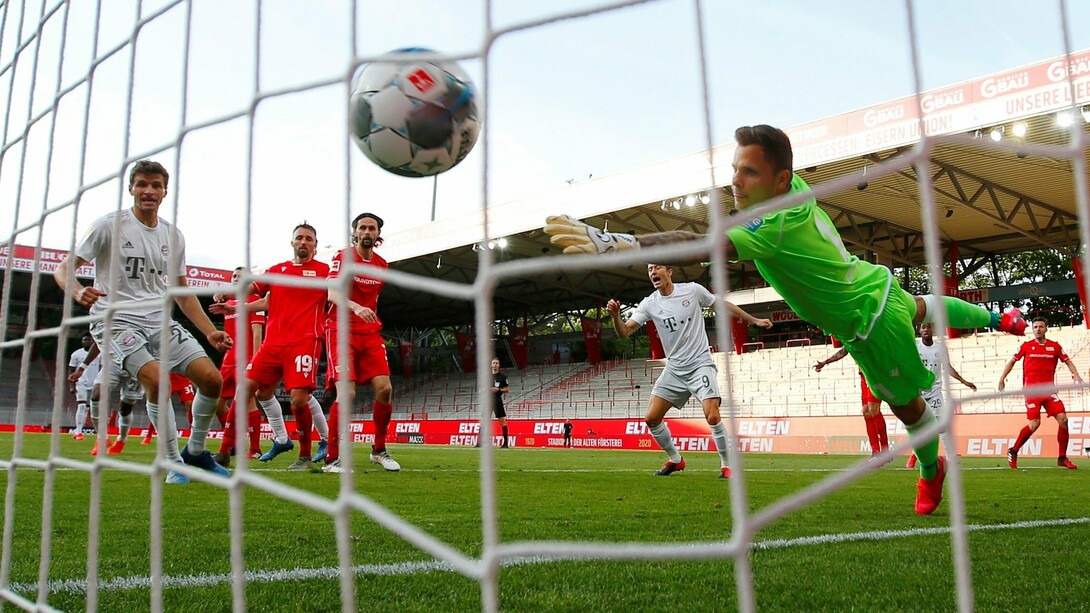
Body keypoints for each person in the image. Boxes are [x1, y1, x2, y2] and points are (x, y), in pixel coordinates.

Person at [546, 124, 1027, 514]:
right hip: (870, 282)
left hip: (868, 322)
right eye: (735, 169)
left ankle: (930, 470)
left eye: (749, 172)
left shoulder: (768, 222)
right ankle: (996, 316)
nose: (736, 181)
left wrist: (623, 244)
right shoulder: (794, 189)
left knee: (906, 406)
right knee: (920, 305)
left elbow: (700, 246)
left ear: (779, 181)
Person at [53, 159, 232, 484]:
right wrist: (78, 291)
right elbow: (63, 268)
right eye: (142, 184)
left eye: (155, 185)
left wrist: (209, 332)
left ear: (165, 191)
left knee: (212, 380)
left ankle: (195, 452)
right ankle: (172, 461)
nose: (148, 190)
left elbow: (182, 293)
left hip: (157, 321)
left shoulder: (173, 236)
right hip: (115, 320)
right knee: (157, 380)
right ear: (131, 188)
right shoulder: (108, 226)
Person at [607, 265, 756, 479]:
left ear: (669, 271)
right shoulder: (649, 303)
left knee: (713, 415)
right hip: (675, 369)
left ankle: (727, 465)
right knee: (651, 418)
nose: (652, 272)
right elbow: (625, 332)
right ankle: (676, 460)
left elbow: (721, 304)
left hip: (699, 364)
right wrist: (615, 317)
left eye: (657, 267)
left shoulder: (692, 290)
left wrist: (754, 320)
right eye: (649, 269)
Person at [213, 223, 330, 472]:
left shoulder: (324, 272)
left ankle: (305, 455)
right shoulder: (277, 271)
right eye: (299, 237)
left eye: (309, 238)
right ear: (292, 242)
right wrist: (229, 297)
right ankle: (224, 451)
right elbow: (257, 295)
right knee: (245, 389)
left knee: (299, 400)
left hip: (305, 342)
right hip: (272, 344)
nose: (303, 242)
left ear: (315, 245)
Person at [319, 213, 398, 473]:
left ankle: (379, 450)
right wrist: (356, 307)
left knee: (385, 389)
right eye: (362, 227)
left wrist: (367, 313)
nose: (366, 232)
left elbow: (373, 299)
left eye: (371, 228)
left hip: (369, 333)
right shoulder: (342, 257)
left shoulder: (381, 265)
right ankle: (331, 459)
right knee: (347, 393)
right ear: (354, 232)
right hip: (340, 329)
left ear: (377, 234)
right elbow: (332, 294)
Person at [998, 317, 1083, 470]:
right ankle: (1014, 450)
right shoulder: (1026, 346)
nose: (1038, 329)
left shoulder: (1054, 347)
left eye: (1041, 326)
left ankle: (1062, 458)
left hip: (1049, 391)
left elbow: (1068, 361)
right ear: (1033, 330)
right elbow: (1012, 361)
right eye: (1035, 327)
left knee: (1063, 420)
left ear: (1046, 329)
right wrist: (1002, 378)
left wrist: (1076, 375)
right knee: (1034, 424)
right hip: (1032, 392)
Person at [211, 267, 267, 468]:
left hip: (246, 359)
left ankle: (255, 448)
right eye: (233, 276)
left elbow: (257, 332)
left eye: (240, 276)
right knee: (216, 404)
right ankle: (233, 442)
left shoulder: (254, 300)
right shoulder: (228, 303)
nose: (235, 278)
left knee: (249, 402)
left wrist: (255, 361)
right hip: (228, 360)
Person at [908, 322, 976, 468]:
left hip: (935, 393)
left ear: (933, 329)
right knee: (919, 428)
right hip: (918, 394)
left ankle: (950, 458)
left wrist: (964, 381)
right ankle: (914, 455)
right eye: (923, 327)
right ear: (920, 330)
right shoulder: (915, 347)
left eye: (929, 327)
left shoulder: (940, 348)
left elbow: (947, 367)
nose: (926, 329)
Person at [71, 340, 145, 456]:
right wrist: (81, 368)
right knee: (96, 396)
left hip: (136, 367)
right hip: (112, 365)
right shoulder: (109, 328)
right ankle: (102, 439)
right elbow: (98, 341)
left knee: (125, 409)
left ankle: (121, 440)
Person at [814, 347, 889, 460]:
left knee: (873, 409)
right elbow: (843, 351)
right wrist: (825, 362)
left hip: (875, 374)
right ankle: (875, 451)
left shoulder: (867, 337)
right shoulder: (851, 340)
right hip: (864, 376)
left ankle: (884, 450)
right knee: (866, 411)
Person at [67, 333, 96, 440]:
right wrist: (71, 385)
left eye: (89, 340)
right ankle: (78, 431)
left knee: (92, 408)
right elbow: (71, 370)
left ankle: (100, 432)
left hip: (95, 384)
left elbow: (103, 368)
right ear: (82, 342)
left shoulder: (99, 354)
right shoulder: (76, 354)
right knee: (82, 406)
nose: (87, 341)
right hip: (81, 383)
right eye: (85, 340)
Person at [490, 357, 511, 448]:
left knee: (502, 421)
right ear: (491, 365)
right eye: (493, 363)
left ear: (499, 365)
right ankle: (479, 442)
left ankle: (505, 443)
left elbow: (507, 389)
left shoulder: (502, 377)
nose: (495, 365)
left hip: (497, 399)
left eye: (496, 363)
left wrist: (498, 390)